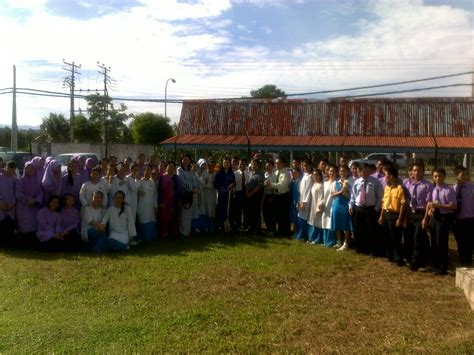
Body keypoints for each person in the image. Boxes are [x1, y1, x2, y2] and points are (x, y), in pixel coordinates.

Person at [422, 168, 456, 275]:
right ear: (433, 177)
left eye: (440, 176)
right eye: (435, 176)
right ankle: (435, 265)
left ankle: (442, 268)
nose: (438, 178)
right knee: (434, 242)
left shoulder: (448, 190)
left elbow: (453, 205)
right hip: (434, 217)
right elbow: (430, 203)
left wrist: (439, 206)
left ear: (444, 176)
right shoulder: (432, 189)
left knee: (441, 242)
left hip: (444, 218)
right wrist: (430, 211)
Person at [349, 163, 383, 254]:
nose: (365, 172)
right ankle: (360, 248)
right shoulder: (357, 182)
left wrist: (376, 209)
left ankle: (370, 249)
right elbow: (353, 195)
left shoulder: (375, 182)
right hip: (358, 208)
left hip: (370, 209)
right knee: (358, 229)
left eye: (367, 170)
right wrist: (351, 205)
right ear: (360, 171)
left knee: (370, 230)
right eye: (363, 170)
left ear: (370, 171)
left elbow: (380, 197)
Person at [405, 162, 433, 271]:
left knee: (418, 238)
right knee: (409, 236)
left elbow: (429, 203)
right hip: (410, 213)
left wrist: (425, 218)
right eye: (414, 170)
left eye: (419, 170)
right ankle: (410, 258)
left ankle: (416, 263)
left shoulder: (427, 185)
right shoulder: (408, 184)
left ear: (423, 172)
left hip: (421, 212)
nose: (416, 172)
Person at [378, 167, 407, 265]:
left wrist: (400, 218)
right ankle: (390, 256)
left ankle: (398, 258)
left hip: (394, 215)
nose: (384, 177)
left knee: (396, 238)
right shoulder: (386, 188)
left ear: (391, 176)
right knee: (387, 236)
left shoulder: (400, 189)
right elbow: (383, 203)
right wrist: (381, 216)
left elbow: (403, 204)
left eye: (386, 175)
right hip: (386, 214)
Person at [16, 161, 43, 248]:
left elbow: (41, 193)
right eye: (28, 168)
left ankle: (34, 243)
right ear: (25, 169)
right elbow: (18, 193)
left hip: (35, 206)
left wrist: (35, 200)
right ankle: (24, 242)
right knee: (25, 224)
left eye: (32, 168)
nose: (30, 170)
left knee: (35, 223)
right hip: (24, 206)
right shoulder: (20, 180)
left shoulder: (39, 180)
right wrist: (28, 199)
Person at [452, 166, 474, 267]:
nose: (465, 177)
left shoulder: (472, 188)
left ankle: (468, 260)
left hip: (470, 219)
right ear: (456, 176)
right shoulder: (453, 189)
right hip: (458, 220)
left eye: (466, 174)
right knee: (460, 242)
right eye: (462, 175)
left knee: (469, 241)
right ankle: (462, 260)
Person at [177, 154, 200, 237]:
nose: (186, 161)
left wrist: (194, 187)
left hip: (191, 194)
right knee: (183, 214)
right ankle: (183, 232)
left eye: (187, 159)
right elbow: (182, 182)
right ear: (181, 160)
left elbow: (194, 180)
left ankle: (188, 231)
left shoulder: (190, 170)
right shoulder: (179, 170)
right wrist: (191, 189)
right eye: (184, 159)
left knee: (189, 214)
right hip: (184, 194)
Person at [331, 165, 353, 251]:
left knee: (346, 225)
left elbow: (351, 196)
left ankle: (346, 243)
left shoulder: (350, 183)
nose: (342, 173)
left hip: (345, 205)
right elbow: (332, 194)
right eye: (340, 171)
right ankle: (338, 241)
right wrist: (340, 191)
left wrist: (346, 192)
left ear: (347, 172)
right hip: (337, 204)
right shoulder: (335, 182)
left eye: (344, 171)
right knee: (337, 223)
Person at [267, 158, 291, 237]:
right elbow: (272, 182)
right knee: (275, 215)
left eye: (279, 163)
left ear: (283, 164)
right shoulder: (275, 172)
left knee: (283, 215)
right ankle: (276, 231)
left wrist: (271, 185)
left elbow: (282, 185)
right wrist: (267, 183)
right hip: (275, 196)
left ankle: (284, 232)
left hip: (283, 196)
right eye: (276, 163)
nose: (277, 164)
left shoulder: (286, 173)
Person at [159, 162, 181, 239]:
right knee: (164, 218)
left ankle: (174, 233)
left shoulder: (176, 178)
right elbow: (160, 190)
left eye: (172, 167)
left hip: (174, 200)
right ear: (166, 168)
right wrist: (161, 201)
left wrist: (178, 199)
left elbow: (178, 190)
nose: (171, 168)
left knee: (174, 217)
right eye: (169, 166)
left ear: (174, 169)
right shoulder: (162, 177)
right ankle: (164, 233)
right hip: (165, 201)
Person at [213, 157, 236, 231]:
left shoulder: (231, 173)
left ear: (230, 164)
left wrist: (232, 184)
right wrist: (221, 188)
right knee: (221, 210)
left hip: (229, 195)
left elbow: (234, 182)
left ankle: (228, 224)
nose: (226, 164)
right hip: (222, 195)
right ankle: (220, 225)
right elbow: (215, 183)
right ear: (222, 164)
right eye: (225, 162)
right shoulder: (219, 173)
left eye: (227, 162)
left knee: (229, 209)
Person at [137, 165, 158, 242]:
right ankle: (142, 237)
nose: (148, 172)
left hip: (150, 207)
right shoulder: (140, 181)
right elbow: (134, 190)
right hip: (142, 206)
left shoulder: (152, 183)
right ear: (144, 172)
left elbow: (155, 195)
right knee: (142, 221)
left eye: (149, 170)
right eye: (146, 170)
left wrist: (155, 206)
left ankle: (149, 237)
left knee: (150, 220)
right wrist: (138, 192)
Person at [0, 161, 17, 246]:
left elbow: (15, 192)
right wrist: (1, 202)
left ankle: (9, 242)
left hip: (10, 206)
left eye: (12, 169)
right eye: (9, 169)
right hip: (1, 205)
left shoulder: (14, 179)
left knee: (9, 223)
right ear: (6, 167)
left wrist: (12, 203)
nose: (10, 171)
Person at [245, 159, 264, 234]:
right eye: (252, 164)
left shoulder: (260, 174)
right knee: (250, 212)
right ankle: (250, 227)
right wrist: (247, 193)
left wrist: (251, 193)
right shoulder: (249, 173)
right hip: (248, 195)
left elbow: (259, 186)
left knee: (256, 212)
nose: (253, 166)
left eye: (255, 164)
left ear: (258, 165)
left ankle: (256, 229)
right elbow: (246, 183)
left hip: (256, 195)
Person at [295, 160, 313, 240]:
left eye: (306, 166)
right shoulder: (304, 175)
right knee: (300, 217)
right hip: (301, 199)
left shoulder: (310, 177)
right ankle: (300, 234)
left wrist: (304, 202)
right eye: (303, 166)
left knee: (304, 218)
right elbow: (301, 190)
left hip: (306, 201)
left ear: (310, 166)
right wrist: (299, 201)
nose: (304, 167)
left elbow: (308, 191)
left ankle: (303, 235)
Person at [321, 165, 338, 247]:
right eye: (330, 171)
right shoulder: (325, 183)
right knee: (325, 222)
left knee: (331, 222)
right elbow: (323, 195)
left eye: (333, 171)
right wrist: (321, 203)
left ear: (336, 173)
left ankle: (331, 241)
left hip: (333, 205)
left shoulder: (337, 183)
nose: (331, 173)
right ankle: (325, 241)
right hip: (325, 205)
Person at [307, 169, 324, 244]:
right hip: (312, 205)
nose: (315, 176)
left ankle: (317, 239)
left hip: (317, 206)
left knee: (317, 222)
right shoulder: (314, 184)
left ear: (320, 176)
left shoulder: (321, 185)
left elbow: (321, 197)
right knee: (312, 221)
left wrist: (318, 208)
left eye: (317, 175)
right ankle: (311, 238)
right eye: (314, 174)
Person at [262, 161, 275, 235]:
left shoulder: (274, 174)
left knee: (271, 213)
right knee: (265, 213)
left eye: (269, 166)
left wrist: (272, 196)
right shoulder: (265, 174)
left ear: (272, 166)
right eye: (266, 166)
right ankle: (268, 228)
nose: (268, 167)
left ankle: (272, 229)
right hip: (265, 195)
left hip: (271, 195)